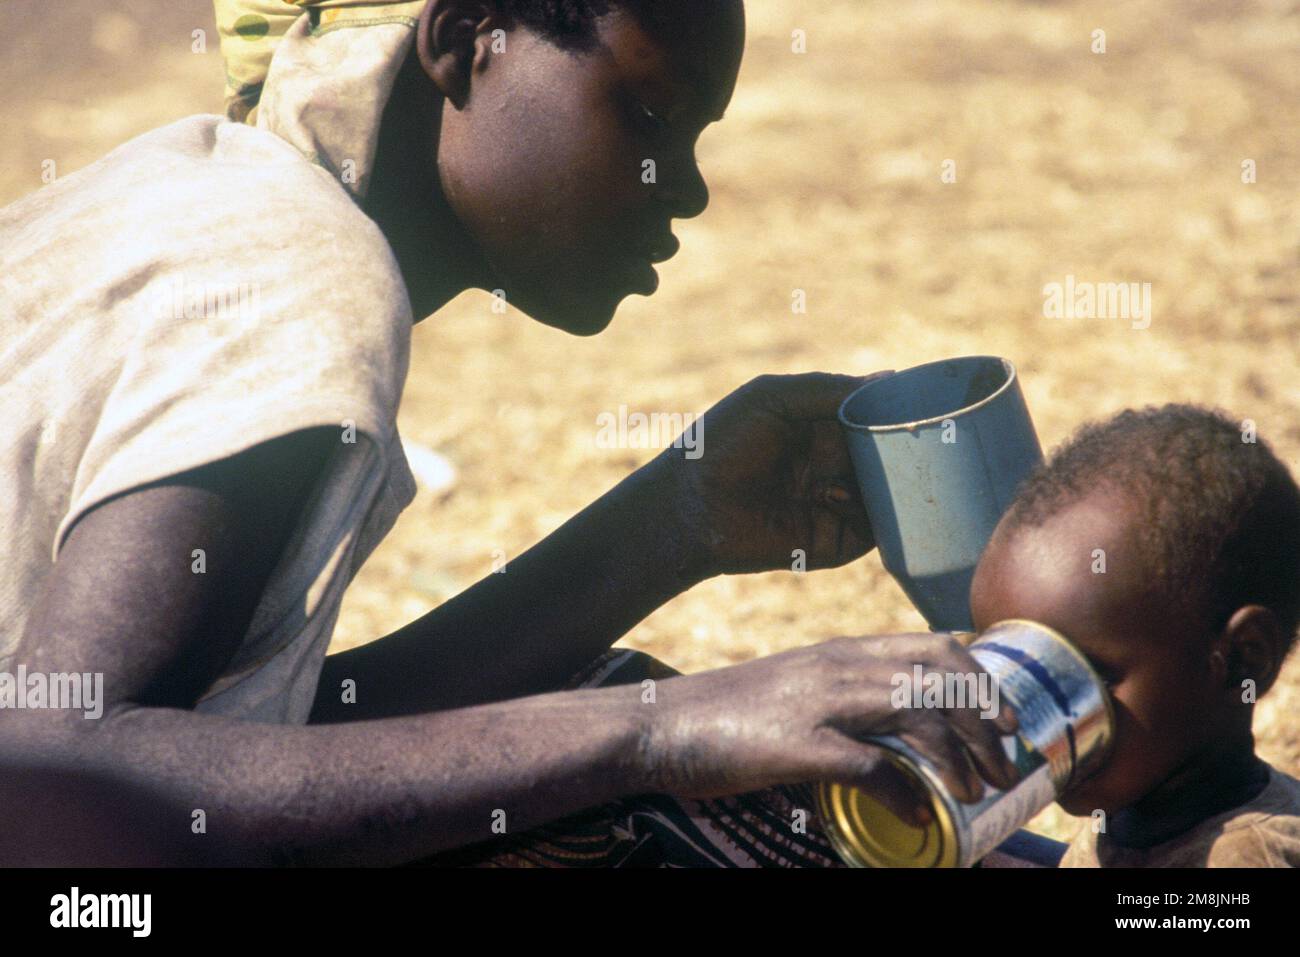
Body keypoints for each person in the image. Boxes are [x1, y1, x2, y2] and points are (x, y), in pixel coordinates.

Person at [0, 0, 1027, 866]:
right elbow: (55, 789)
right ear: (463, 40)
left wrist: (675, 524)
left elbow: (254, 744)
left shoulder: (207, 199)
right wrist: (659, 736)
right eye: (649, 112)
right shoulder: (299, 273)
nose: (687, 186)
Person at [970, 404, 1300, 867]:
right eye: (1008, 667)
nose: (1024, 715)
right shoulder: (1139, 809)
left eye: (1082, 677)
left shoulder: (1246, 856)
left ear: (1243, 661)